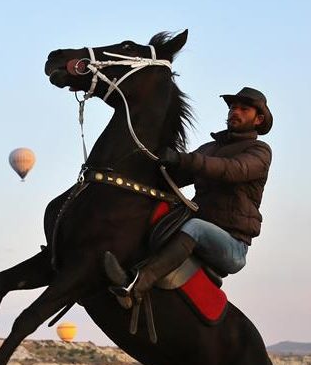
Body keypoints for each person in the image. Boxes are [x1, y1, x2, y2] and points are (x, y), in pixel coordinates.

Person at [105, 87, 273, 304]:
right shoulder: (209, 148)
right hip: (195, 227)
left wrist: (183, 159)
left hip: (232, 244)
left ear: (258, 119)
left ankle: (138, 284)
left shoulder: (260, 151)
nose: (235, 111)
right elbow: (174, 177)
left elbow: (232, 169)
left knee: (195, 228)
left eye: (243, 109)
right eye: (233, 107)